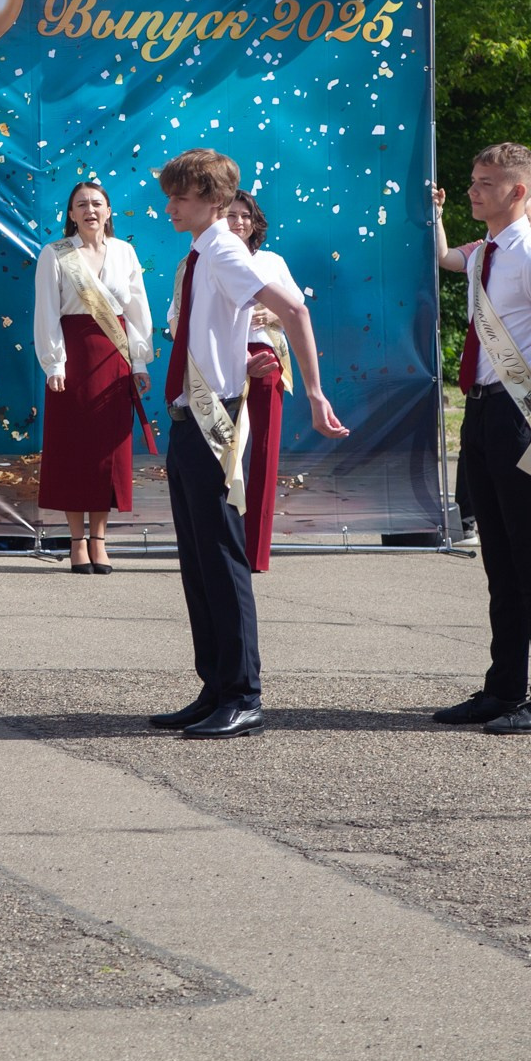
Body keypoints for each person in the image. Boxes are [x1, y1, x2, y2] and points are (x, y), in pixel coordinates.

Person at [148, 149, 347, 742]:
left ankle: (242, 692)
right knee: (197, 560)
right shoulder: (202, 251)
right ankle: (214, 685)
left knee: (222, 557)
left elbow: (294, 309)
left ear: (211, 201)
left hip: (218, 420)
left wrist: (313, 391)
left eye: (180, 197)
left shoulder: (226, 250)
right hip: (191, 415)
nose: (170, 206)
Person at [430, 143, 531, 736]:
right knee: (499, 559)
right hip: (481, 410)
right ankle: (504, 687)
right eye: (473, 180)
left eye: (486, 182)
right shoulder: (484, 255)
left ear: (518, 191)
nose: (473, 190)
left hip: (520, 412)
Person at [33, 178, 153, 574]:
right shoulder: (55, 253)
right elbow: (47, 313)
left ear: (108, 211)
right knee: (73, 449)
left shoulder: (125, 252)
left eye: (97, 203)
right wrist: (54, 363)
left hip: (115, 357)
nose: (90, 210)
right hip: (74, 358)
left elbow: (136, 311)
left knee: (107, 452)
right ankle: (76, 542)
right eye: (81, 204)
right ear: (70, 214)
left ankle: (100, 540)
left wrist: (139, 362)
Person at [224, 192, 297, 573]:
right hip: (219, 366)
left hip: (266, 361)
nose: (238, 222)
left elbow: (296, 308)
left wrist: (270, 313)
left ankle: (255, 552)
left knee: (263, 458)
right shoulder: (203, 259)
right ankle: (221, 545)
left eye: (244, 216)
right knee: (223, 458)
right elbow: (178, 316)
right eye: (230, 215)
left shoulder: (272, 262)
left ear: (255, 222)